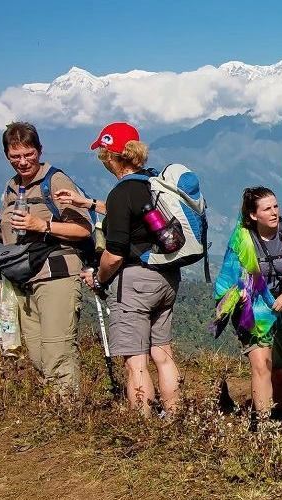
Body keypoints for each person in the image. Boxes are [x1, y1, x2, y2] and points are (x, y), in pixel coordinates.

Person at [0, 122, 92, 397]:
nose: (22, 161)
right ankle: (55, 408)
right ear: (7, 155)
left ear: (39, 151)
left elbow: (83, 229)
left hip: (57, 274)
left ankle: (68, 412)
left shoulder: (55, 181)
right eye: (15, 156)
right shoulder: (12, 186)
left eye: (28, 154)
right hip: (25, 279)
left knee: (57, 350)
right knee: (38, 353)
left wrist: (43, 226)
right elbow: (13, 237)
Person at [80, 122, 182, 417]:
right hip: (167, 276)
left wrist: (98, 278)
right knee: (162, 354)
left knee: (135, 362)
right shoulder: (152, 184)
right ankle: (175, 419)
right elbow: (138, 219)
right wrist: (88, 203)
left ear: (111, 156)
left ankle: (143, 428)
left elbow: (114, 255)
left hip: (135, 283)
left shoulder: (121, 192)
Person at [212, 187, 282, 418]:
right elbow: (229, 276)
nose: (274, 212)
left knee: (281, 375)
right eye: (267, 209)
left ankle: (280, 420)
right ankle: (263, 425)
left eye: (275, 206)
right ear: (253, 214)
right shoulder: (242, 240)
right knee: (261, 367)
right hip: (253, 311)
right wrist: (238, 292)